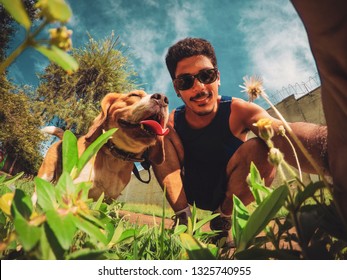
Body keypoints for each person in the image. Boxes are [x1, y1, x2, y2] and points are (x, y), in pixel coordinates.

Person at [152, 37, 330, 244]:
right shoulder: (174, 120)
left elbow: (283, 133)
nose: (199, 87)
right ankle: (183, 218)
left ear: (218, 78)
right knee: (159, 135)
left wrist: (335, 150)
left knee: (262, 146)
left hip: (230, 192)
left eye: (206, 75)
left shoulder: (239, 111)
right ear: (176, 88)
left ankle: (222, 221)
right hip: (191, 190)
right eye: (185, 81)